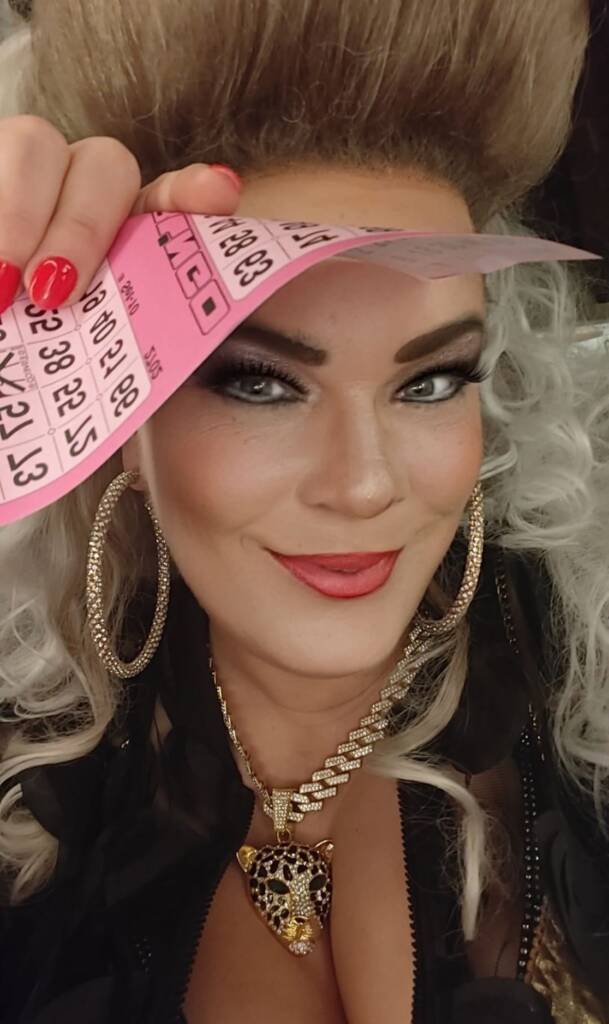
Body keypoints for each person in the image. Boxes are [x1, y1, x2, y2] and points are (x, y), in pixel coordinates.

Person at [0, 1, 608, 1021]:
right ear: (123, 412)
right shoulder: (32, 782)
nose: (364, 485)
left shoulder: (582, 690)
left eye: (430, 381)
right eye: (259, 383)